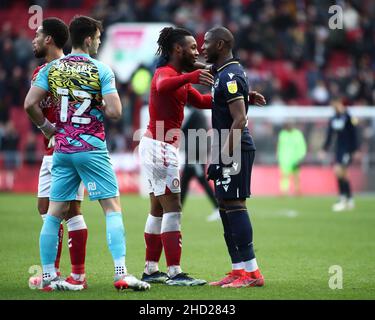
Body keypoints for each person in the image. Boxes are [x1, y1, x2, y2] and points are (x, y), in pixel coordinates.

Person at [24, 15, 149, 292]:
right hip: (91, 148)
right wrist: (102, 102)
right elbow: (116, 112)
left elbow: (29, 104)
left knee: (54, 214)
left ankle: (48, 277)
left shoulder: (52, 68)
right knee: (112, 208)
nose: (100, 43)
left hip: (62, 149)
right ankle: (120, 273)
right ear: (89, 39)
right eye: (99, 38)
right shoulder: (101, 69)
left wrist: (48, 129)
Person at [138, 26, 214, 285]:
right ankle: (175, 272)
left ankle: (150, 269)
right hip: (159, 146)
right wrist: (192, 75)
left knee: (158, 208)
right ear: (178, 49)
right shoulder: (164, 73)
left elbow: (203, 101)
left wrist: (239, 96)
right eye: (193, 47)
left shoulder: (178, 78)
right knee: (173, 208)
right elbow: (162, 84)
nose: (196, 51)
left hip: (157, 146)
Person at [26, 18, 88, 291]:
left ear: (49, 39)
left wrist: (50, 129)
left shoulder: (69, 70)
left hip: (68, 149)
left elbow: (32, 106)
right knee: (45, 208)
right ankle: (56, 273)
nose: (34, 40)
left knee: (72, 210)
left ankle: (77, 275)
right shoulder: (41, 71)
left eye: (37, 35)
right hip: (52, 151)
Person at [202, 26, 265, 288]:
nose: (202, 46)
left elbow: (240, 119)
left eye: (206, 43)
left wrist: (222, 158)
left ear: (220, 45)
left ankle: (253, 273)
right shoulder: (222, 72)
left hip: (236, 147)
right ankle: (237, 270)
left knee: (236, 206)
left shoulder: (229, 75)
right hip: (226, 147)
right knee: (225, 208)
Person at [319, 98, 360, 212]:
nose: (333, 107)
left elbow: (354, 133)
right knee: (340, 173)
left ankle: (345, 198)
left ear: (339, 104)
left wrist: (356, 149)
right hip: (339, 149)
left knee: (341, 172)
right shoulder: (333, 118)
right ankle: (348, 198)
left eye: (334, 104)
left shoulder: (348, 117)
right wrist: (324, 149)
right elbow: (330, 135)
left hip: (347, 149)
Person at [180, 106, 220, 221]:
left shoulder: (194, 113)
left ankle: (218, 207)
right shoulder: (199, 113)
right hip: (197, 151)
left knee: (201, 179)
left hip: (195, 153)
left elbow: (183, 128)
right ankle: (177, 210)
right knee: (185, 181)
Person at [277, 122, 307, 196]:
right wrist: (278, 155)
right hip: (284, 159)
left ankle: (297, 190)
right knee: (284, 175)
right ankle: (284, 191)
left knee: (296, 175)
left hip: (295, 158)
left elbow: (302, 146)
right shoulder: (283, 134)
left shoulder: (298, 134)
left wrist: (301, 156)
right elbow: (279, 145)